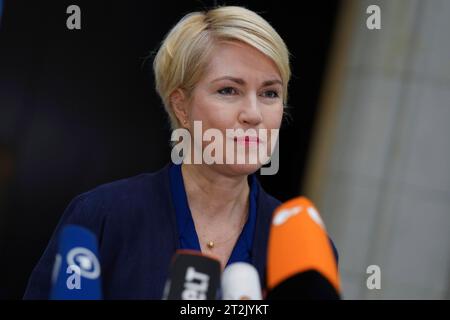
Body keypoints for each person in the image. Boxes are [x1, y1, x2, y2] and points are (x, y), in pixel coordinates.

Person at [23, 5, 337, 299]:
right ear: (181, 106)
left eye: (270, 93)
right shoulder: (102, 216)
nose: (253, 113)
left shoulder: (304, 251)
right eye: (229, 90)